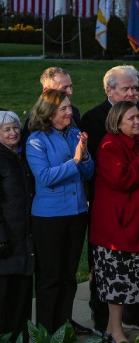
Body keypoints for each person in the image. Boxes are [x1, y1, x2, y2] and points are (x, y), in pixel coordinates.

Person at [80, 65, 139, 334]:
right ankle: (109, 329)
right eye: (132, 119)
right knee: (114, 281)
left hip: (138, 221)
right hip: (115, 223)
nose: (138, 121)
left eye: (135, 89)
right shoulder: (108, 141)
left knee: (134, 280)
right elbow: (121, 178)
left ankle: (130, 320)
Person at [26, 89, 94, 334]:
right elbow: (44, 178)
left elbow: (89, 172)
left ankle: (64, 327)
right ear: (49, 113)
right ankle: (46, 331)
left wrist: (84, 157)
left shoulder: (76, 133)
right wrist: (74, 162)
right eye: (63, 108)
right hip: (49, 218)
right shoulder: (36, 140)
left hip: (76, 214)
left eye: (69, 107)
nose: (69, 112)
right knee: (50, 277)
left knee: (69, 274)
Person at [0, 110, 35, 341]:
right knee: (5, 297)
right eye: (6, 129)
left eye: (15, 128)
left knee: (23, 296)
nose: (13, 133)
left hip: (25, 240)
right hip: (6, 242)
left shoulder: (21, 156)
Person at [21, 67, 81, 146]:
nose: (70, 92)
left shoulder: (74, 111)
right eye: (64, 88)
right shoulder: (35, 119)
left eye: (71, 86)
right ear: (46, 90)